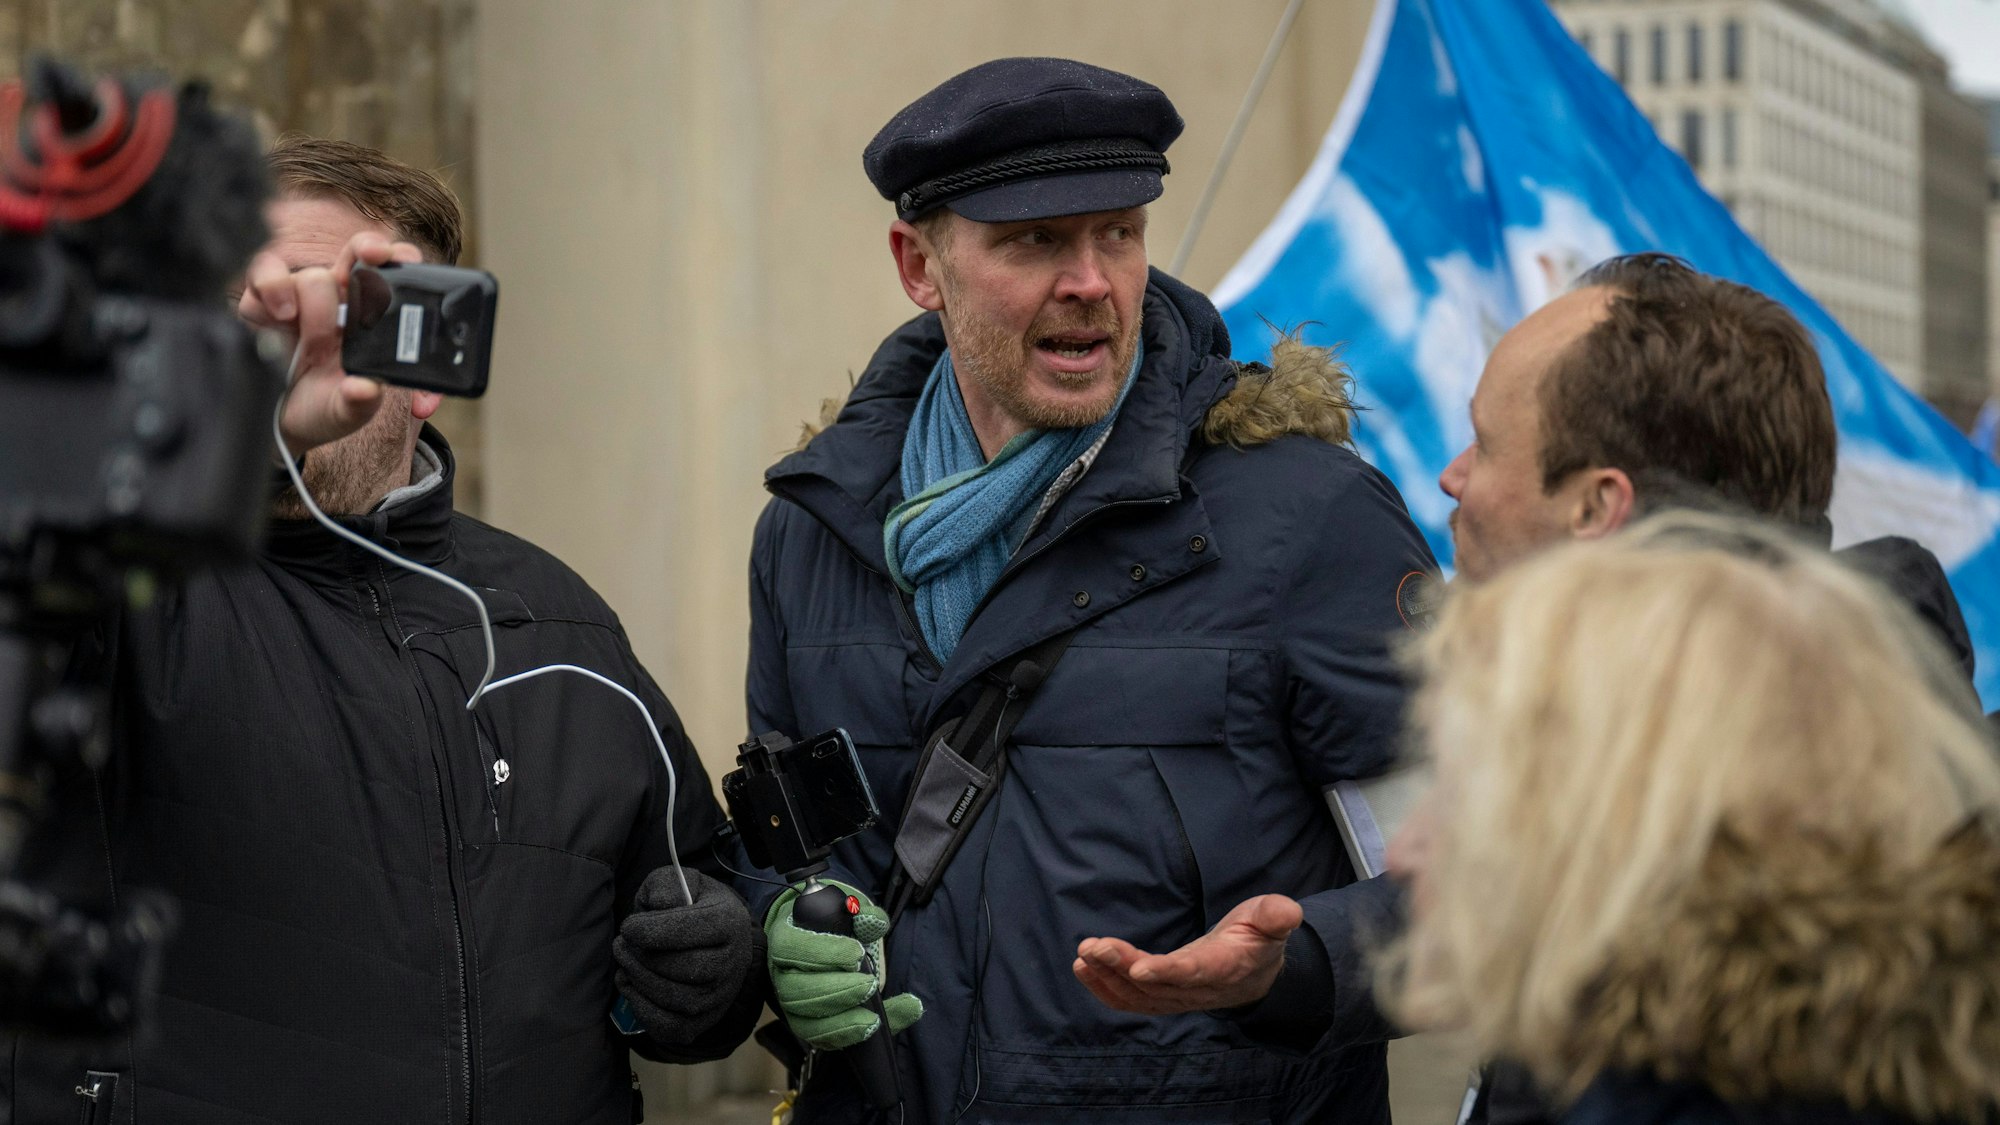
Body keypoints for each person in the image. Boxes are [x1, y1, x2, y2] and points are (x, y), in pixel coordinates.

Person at [3, 136, 762, 1124]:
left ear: (424, 364)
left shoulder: (551, 615)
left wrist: (711, 974)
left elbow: (679, 896)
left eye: (336, 310)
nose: (288, 345)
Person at [739, 58, 1436, 1123]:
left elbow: (1486, 889)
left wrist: (1291, 969)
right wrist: (767, 930)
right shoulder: (810, 532)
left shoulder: (1310, 520)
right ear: (918, 267)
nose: (1092, 282)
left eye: (1117, 232)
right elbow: (775, 854)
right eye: (1033, 242)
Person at [1076, 254, 1978, 1055]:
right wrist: (1298, 961)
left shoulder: (1780, 851)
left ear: (1596, 505)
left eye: (1488, 441)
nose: (1451, 475)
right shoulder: (1732, 754)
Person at [1384, 512, 2000, 1125]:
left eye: (1462, 791)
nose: (1403, 849)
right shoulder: (1869, 1053)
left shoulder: (1650, 1087)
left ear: (1617, 829)